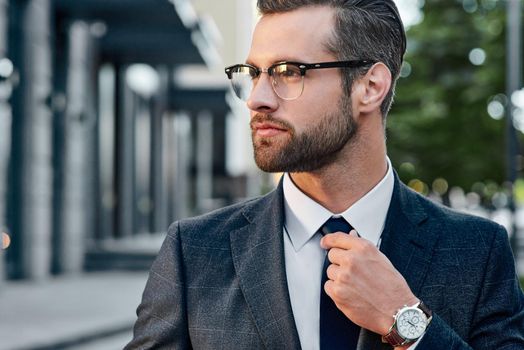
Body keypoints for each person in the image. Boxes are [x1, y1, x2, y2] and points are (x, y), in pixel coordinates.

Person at [125, 1, 524, 349]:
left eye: (288, 71)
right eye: (253, 72)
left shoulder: (476, 250)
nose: (257, 99)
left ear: (370, 86)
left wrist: (407, 322)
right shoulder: (193, 253)